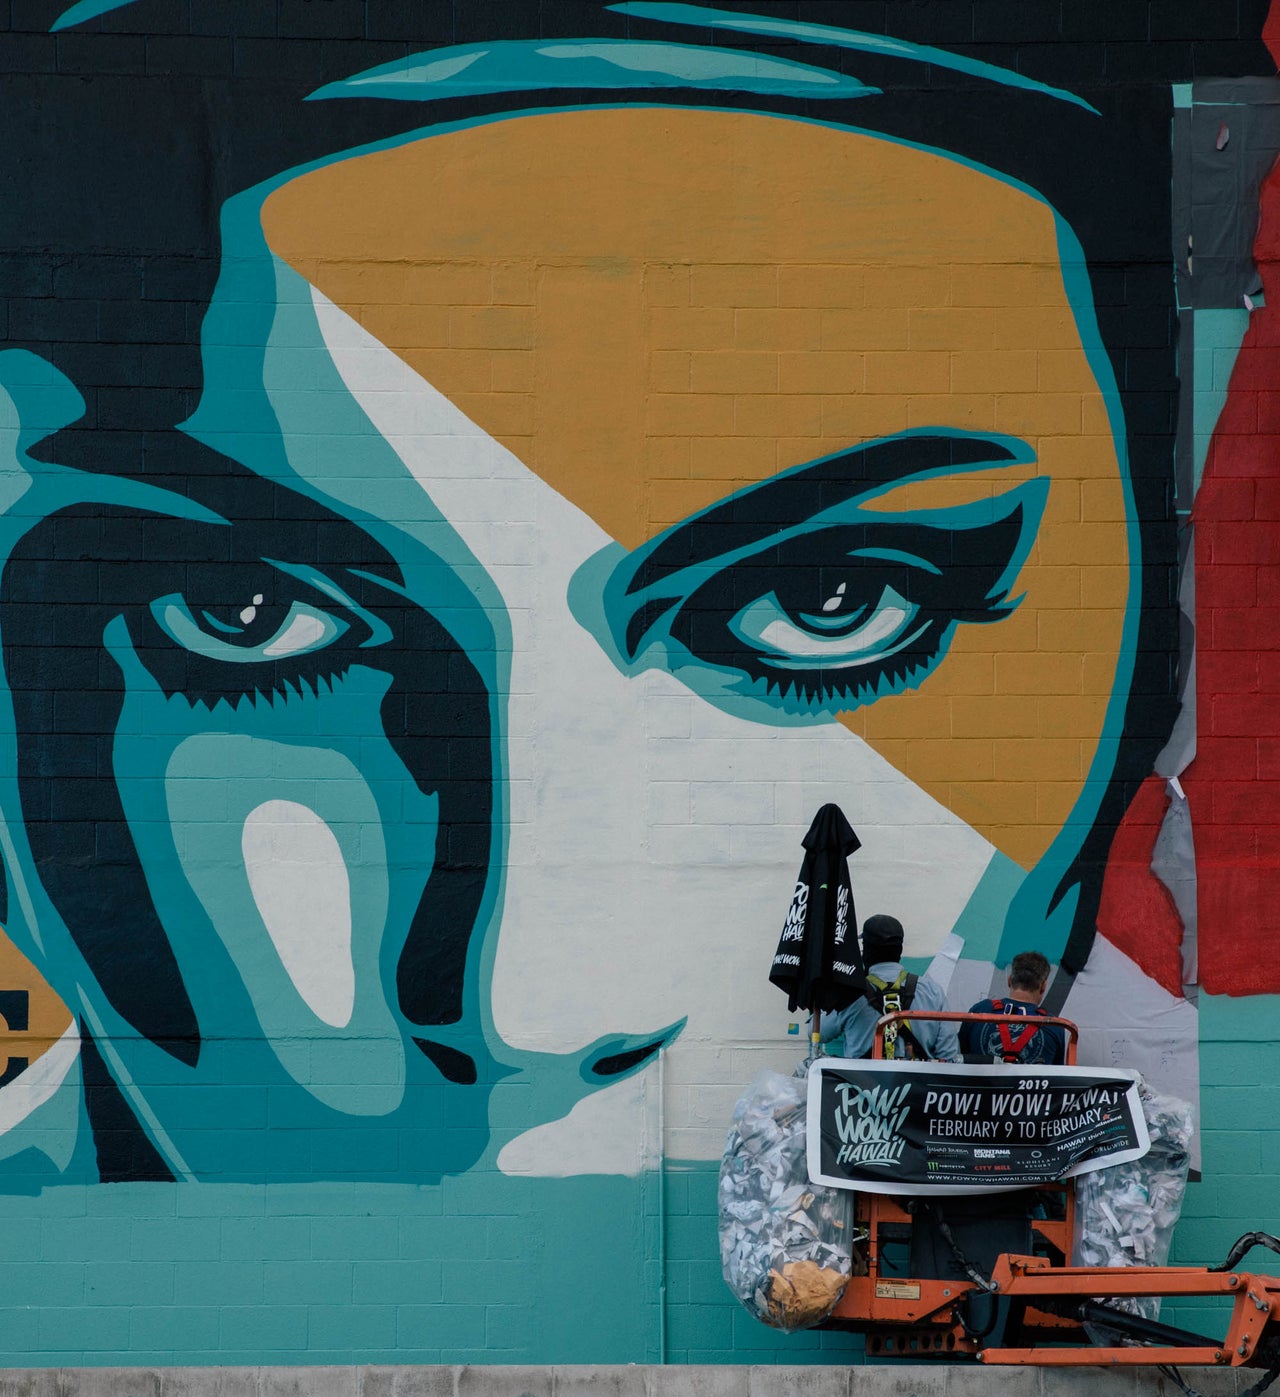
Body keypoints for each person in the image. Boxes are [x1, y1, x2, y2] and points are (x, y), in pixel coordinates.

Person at [0, 4, 1189, 1185]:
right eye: (240, 615)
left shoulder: (1134, 1120)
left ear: (1153, 668)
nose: (540, 1013)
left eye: (833, 596)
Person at [821, 916, 959, 1063]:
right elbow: (948, 1055)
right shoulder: (933, 991)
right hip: (917, 1083)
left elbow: (819, 1033)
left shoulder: (849, 993)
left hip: (865, 1084)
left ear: (866, 950)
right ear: (899, 950)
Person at [960, 954, 1066, 1066]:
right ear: (1043, 986)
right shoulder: (1054, 1025)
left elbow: (959, 1055)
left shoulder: (980, 1010)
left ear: (1010, 980)